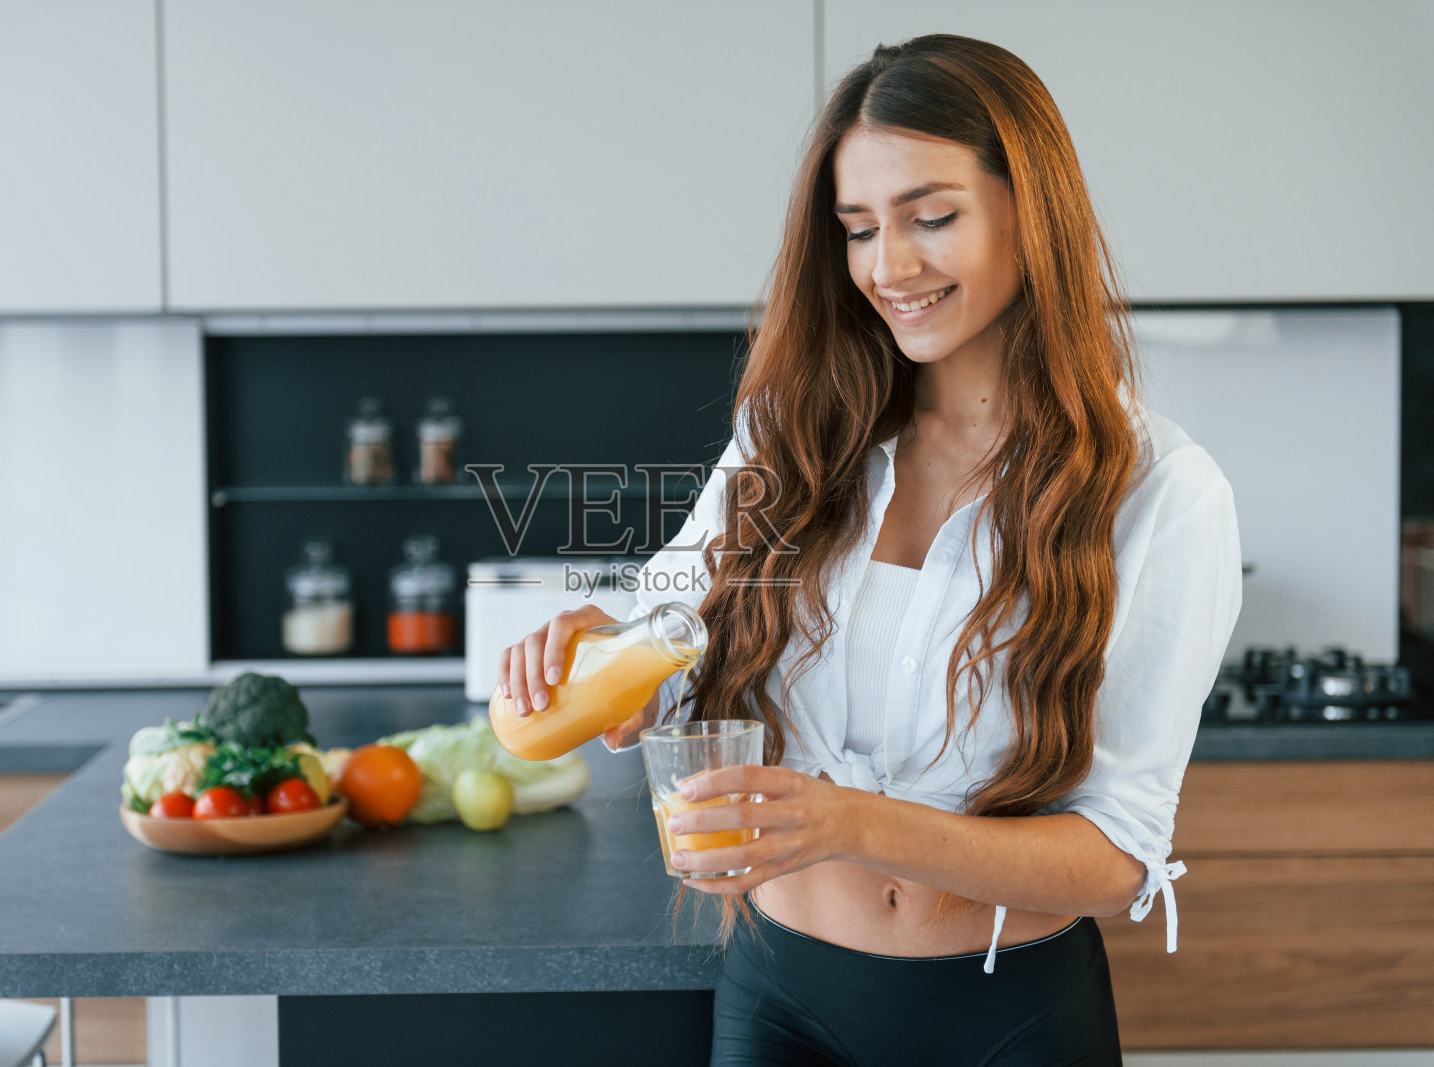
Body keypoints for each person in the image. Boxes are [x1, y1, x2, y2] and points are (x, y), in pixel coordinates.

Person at [499, 33, 1242, 1066]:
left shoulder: (1162, 493)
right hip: (783, 999)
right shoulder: (790, 433)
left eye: (931, 217)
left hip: (1011, 1019)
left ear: (1032, 213)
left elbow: (1116, 858)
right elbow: (671, 643)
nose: (888, 266)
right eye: (857, 229)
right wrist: (608, 661)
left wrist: (850, 821)